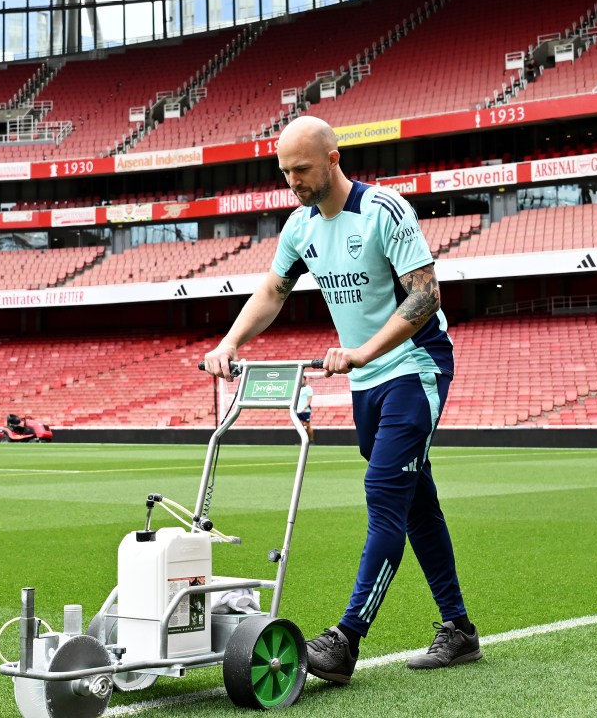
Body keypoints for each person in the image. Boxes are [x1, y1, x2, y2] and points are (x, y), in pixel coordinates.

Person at [204, 115, 478, 684]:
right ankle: (460, 630)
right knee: (415, 502)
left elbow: (426, 296)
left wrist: (363, 351)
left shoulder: (384, 212)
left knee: (383, 492)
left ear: (332, 158)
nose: (293, 181)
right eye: (284, 172)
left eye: (301, 169)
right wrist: (230, 342)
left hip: (415, 367)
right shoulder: (300, 227)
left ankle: (346, 638)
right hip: (366, 383)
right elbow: (274, 290)